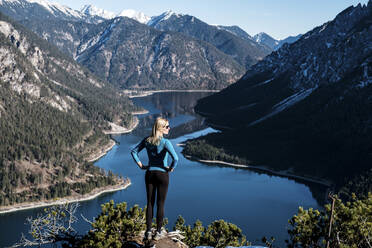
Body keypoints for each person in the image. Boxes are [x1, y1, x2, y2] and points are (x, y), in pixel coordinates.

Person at [131, 117, 179, 241]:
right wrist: (171, 168)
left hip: (150, 173)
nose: (169, 128)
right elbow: (176, 159)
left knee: (150, 203)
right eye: (167, 126)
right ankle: (157, 232)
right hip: (163, 175)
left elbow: (133, 152)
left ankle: (148, 231)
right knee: (160, 204)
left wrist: (141, 165)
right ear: (160, 128)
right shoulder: (165, 142)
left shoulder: (147, 140)